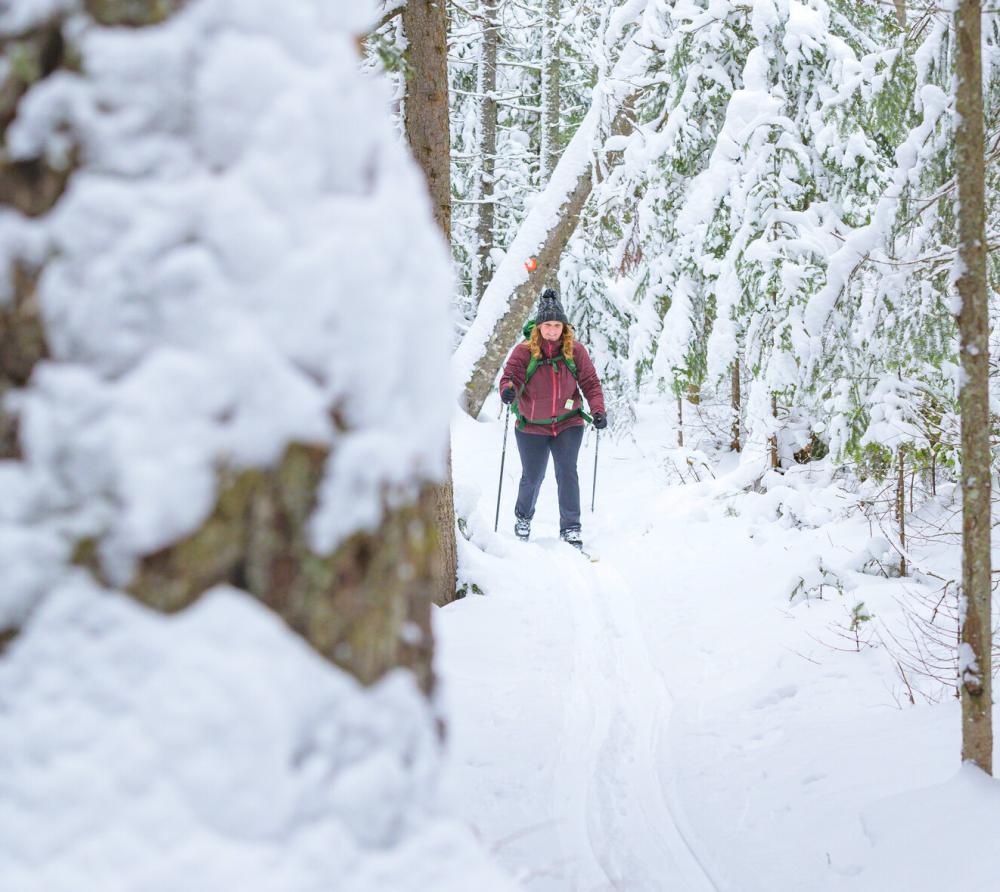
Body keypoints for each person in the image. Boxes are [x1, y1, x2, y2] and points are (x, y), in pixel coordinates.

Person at [499, 287, 606, 550]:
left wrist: (598, 410)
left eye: (557, 325)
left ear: (564, 327)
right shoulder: (524, 351)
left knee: (567, 472)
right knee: (532, 477)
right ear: (538, 326)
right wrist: (508, 391)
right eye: (547, 325)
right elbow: (509, 377)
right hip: (531, 426)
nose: (552, 330)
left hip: (568, 423)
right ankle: (523, 518)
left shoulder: (575, 351)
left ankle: (571, 527)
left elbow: (590, 383)